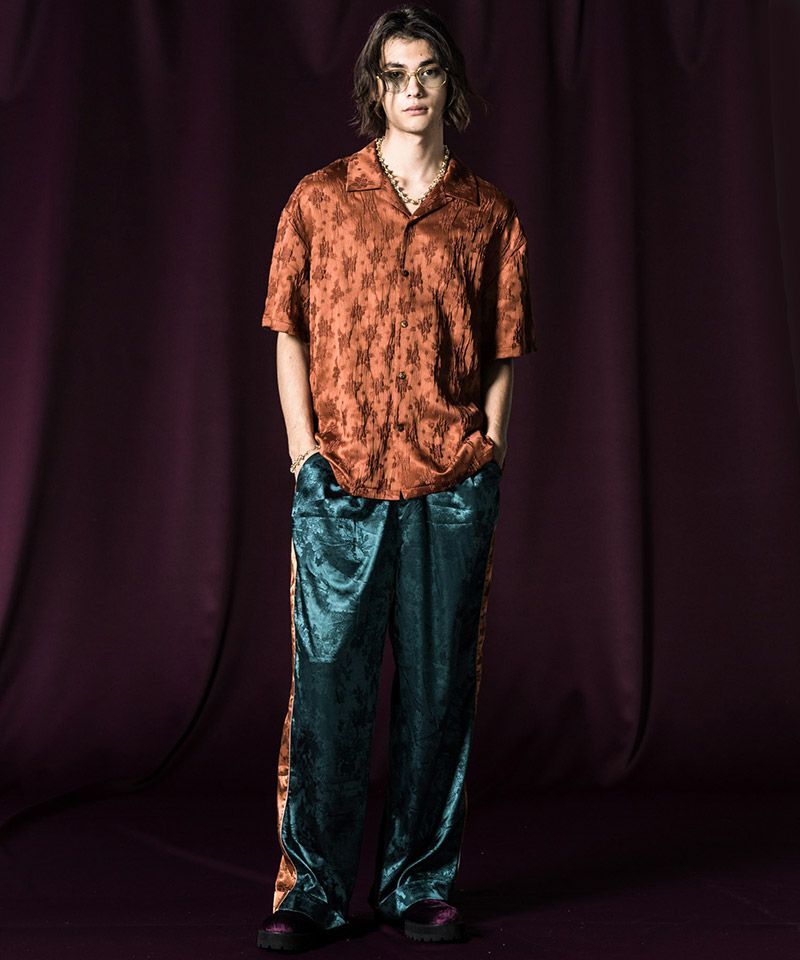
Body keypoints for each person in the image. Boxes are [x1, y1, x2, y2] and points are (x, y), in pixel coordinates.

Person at [256, 4, 536, 952]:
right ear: (373, 87)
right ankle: (311, 889)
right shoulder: (319, 199)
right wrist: (303, 451)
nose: (413, 90)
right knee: (326, 694)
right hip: (338, 483)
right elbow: (288, 328)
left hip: (450, 486)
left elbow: (503, 349)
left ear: (450, 85)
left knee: (437, 692)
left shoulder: (489, 213)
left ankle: (420, 882)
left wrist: (489, 451)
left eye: (429, 73)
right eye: (396, 74)